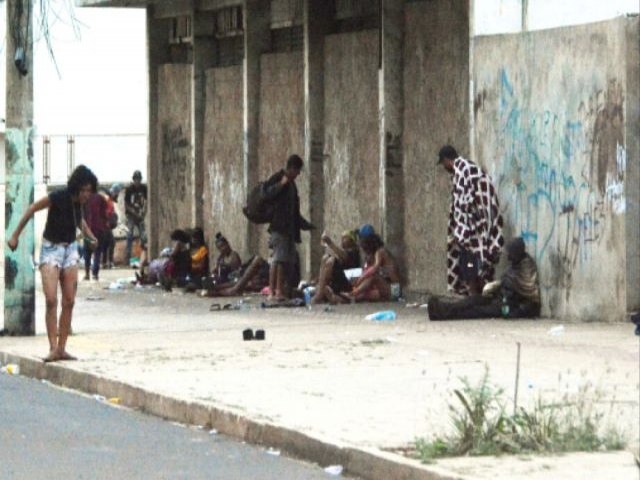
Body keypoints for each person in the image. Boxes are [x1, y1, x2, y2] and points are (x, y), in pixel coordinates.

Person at [7, 165, 98, 362]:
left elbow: (79, 222)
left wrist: (91, 237)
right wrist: (15, 235)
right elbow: (32, 209)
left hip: (70, 249)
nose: (86, 195)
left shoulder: (78, 205)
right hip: (51, 249)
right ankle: (53, 347)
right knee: (50, 299)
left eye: (89, 191)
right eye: (83, 190)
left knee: (69, 301)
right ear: (76, 187)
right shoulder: (58, 197)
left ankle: (62, 348)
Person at [438, 145, 504, 296]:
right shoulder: (468, 169)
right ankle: (477, 297)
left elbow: (463, 204)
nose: (444, 167)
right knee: (477, 266)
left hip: (474, 230)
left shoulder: (463, 171)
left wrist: (460, 233)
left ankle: (474, 298)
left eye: (443, 164)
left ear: (447, 160)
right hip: (479, 226)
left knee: (471, 266)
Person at [428, 237, 540, 320]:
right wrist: (494, 287)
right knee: (472, 301)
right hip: (499, 298)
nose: (508, 257)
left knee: (475, 311)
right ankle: (440, 308)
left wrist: (514, 312)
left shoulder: (527, 268)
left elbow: (530, 300)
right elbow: (507, 282)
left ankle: (442, 314)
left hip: (508, 305)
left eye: (511, 254)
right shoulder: (516, 265)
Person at [263, 154, 314, 301]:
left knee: (284, 260)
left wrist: (305, 225)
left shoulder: (292, 185)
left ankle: (279, 290)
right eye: (297, 171)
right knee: (278, 260)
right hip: (279, 227)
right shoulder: (279, 178)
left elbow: (294, 211)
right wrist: (281, 184)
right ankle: (274, 291)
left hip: (288, 229)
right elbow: (267, 194)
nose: (298, 174)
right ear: (291, 168)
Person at [341, 225, 400, 303]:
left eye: (362, 242)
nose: (361, 245)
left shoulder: (381, 252)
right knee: (364, 295)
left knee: (373, 277)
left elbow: (374, 269)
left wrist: (361, 278)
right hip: (388, 289)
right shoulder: (373, 255)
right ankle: (342, 298)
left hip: (395, 291)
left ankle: (352, 294)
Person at [310, 229, 361, 304]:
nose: (342, 240)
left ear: (351, 240)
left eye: (345, 238)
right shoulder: (343, 251)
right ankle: (320, 291)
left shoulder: (353, 251)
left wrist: (330, 243)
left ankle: (320, 294)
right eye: (342, 238)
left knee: (331, 261)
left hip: (347, 282)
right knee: (325, 258)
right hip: (337, 280)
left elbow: (344, 256)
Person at [83, 189, 111, 281]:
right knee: (97, 252)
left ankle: (87, 274)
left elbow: (82, 214)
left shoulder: (85, 198)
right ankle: (95, 274)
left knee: (87, 252)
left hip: (88, 228)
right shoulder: (100, 198)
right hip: (99, 229)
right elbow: (105, 213)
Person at [124, 170, 147, 264]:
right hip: (131, 216)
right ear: (133, 180)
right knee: (129, 235)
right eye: (136, 179)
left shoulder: (144, 188)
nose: (137, 181)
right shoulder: (129, 189)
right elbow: (126, 204)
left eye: (139, 179)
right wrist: (133, 212)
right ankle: (127, 257)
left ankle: (144, 257)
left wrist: (144, 212)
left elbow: (146, 201)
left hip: (140, 215)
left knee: (143, 236)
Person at [104, 183, 122, 269]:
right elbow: (106, 213)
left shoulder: (109, 200)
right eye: (117, 193)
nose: (117, 195)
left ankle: (105, 262)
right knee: (111, 243)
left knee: (107, 244)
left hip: (106, 225)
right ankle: (109, 262)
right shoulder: (108, 200)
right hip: (105, 225)